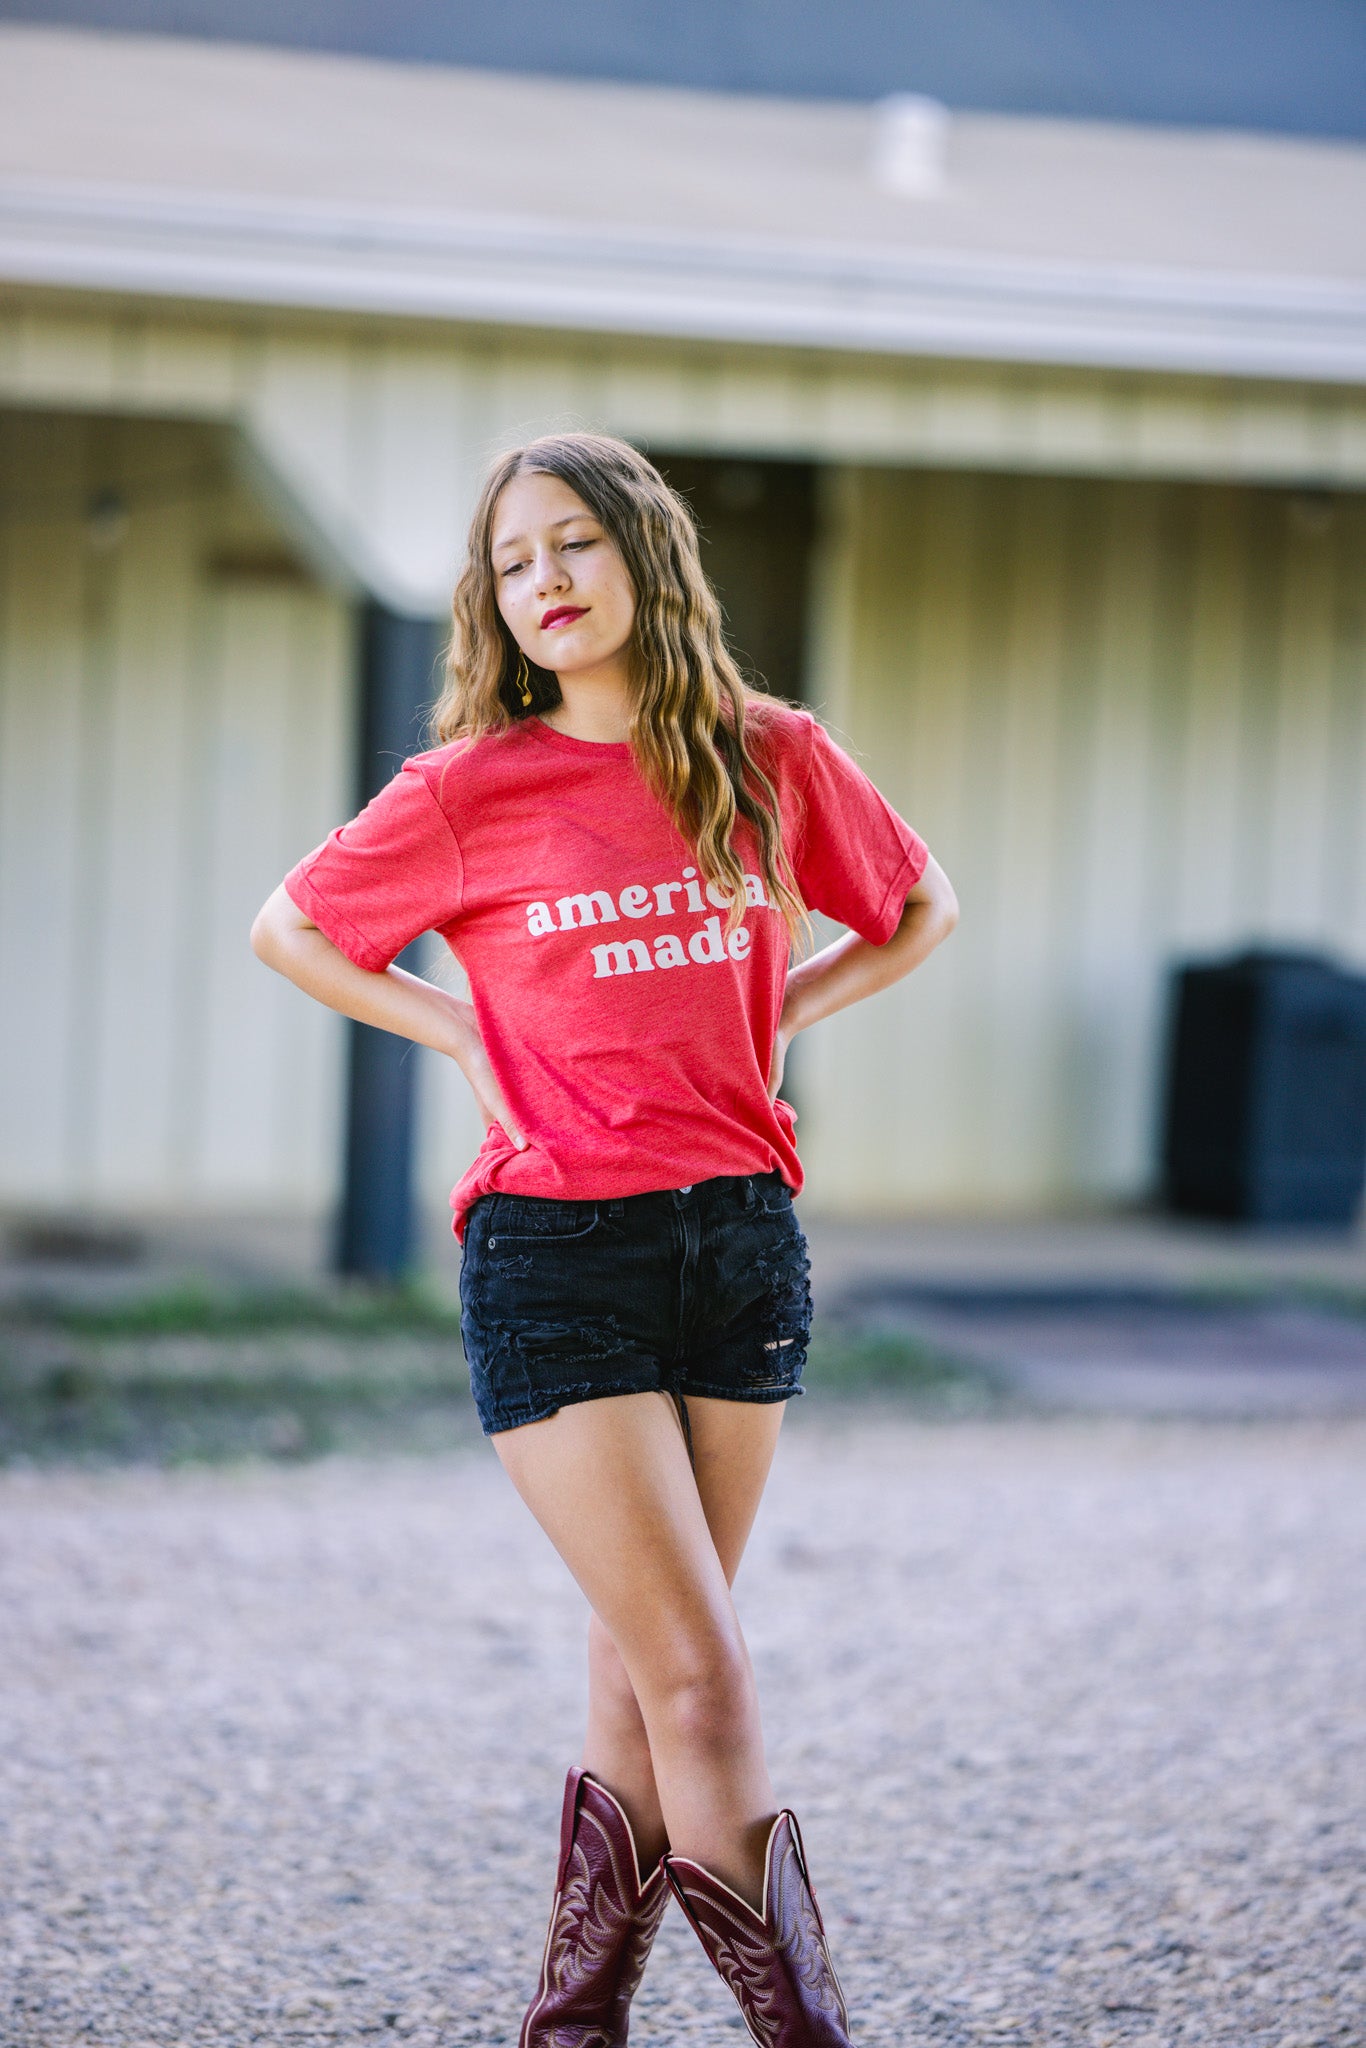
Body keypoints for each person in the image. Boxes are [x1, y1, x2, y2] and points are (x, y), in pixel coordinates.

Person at [251, 431, 958, 2046]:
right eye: (512, 562)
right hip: (557, 1252)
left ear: (647, 554)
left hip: (739, 1244)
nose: (545, 581)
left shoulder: (767, 753)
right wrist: (453, 1031)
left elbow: (919, 906)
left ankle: (570, 2027)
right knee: (701, 1684)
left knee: (639, 1671)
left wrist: (789, 1002)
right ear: (490, 605)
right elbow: (289, 928)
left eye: (572, 543)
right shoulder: (467, 787)